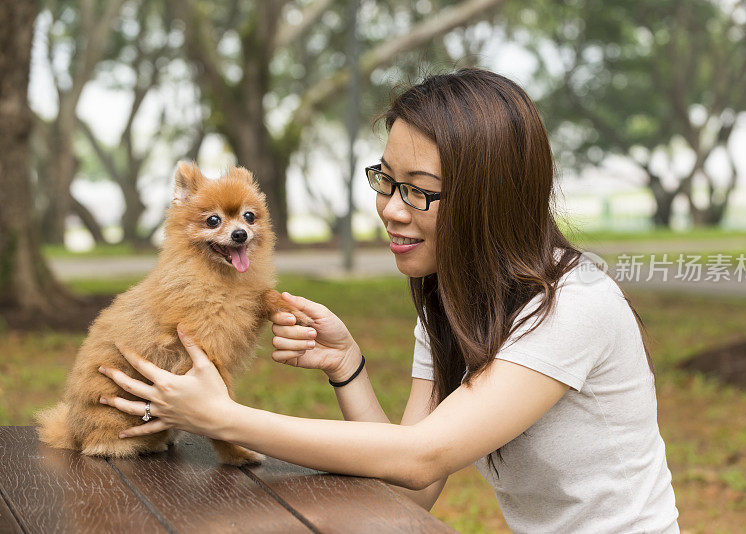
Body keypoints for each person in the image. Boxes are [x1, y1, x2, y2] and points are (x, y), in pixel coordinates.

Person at [98, 68, 680, 533]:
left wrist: (225, 420)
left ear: (489, 200)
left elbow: (420, 458)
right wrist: (348, 366)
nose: (392, 209)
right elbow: (415, 491)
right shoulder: (451, 300)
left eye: (420, 191)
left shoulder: (573, 305)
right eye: (387, 180)